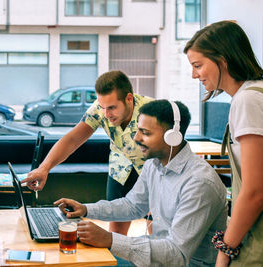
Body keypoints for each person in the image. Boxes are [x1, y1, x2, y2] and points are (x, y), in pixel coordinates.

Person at [55, 100, 228, 267]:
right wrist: (86, 209)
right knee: (84, 260)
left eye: (145, 133)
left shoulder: (199, 183)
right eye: (137, 130)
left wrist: (110, 239)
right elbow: (133, 206)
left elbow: (177, 254)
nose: (136, 138)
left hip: (182, 263)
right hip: (157, 257)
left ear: (172, 137)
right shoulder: (154, 163)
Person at [22, 70, 153, 235]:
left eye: (112, 107)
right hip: (120, 167)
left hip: (151, 168)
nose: (106, 114)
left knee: (156, 224)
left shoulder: (152, 111)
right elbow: (72, 139)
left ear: (129, 98)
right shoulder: (100, 109)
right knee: (117, 227)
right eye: (103, 107)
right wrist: (44, 168)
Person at [184, 20, 263, 267]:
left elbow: (254, 192)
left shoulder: (247, 100)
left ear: (223, 60)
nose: (194, 74)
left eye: (198, 65)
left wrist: (224, 250)